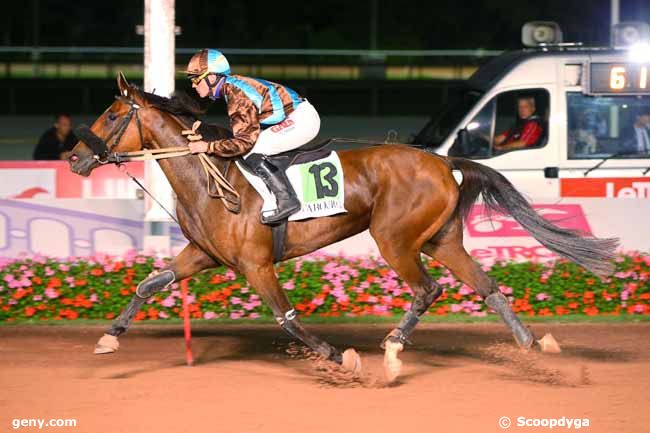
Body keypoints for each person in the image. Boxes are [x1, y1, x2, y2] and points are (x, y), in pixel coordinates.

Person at [183, 49, 320, 224]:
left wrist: (207, 147)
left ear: (211, 78)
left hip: (302, 119)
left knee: (254, 149)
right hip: (297, 115)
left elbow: (244, 142)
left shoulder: (236, 94)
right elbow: (240, 131)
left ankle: (287, 200)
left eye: (196, 79)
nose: (193, 85)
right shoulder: (231, 88)